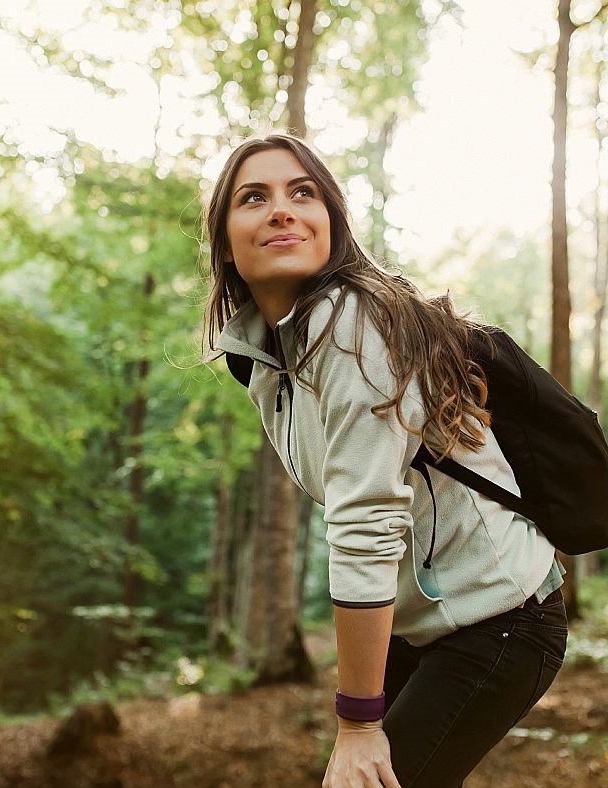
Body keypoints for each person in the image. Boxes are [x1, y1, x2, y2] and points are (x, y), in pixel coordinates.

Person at [202, 133, 567, 788]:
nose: (282, 209)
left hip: (501, 617)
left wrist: (360, 722)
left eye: (302, 192)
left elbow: (365, 524)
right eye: (253, 197)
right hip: (426, 619)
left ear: (332, 225)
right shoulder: (263, 358)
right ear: (226, 242)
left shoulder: (349, 325)